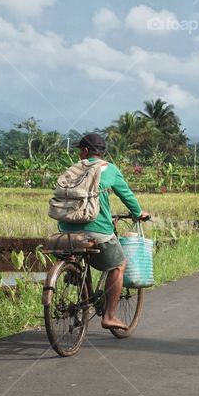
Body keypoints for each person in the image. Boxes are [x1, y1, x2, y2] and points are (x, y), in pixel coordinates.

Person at [59, 133, 149, 330]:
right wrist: (138, 213)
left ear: (84, 151)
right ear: (102, 152)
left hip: (65, 229)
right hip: (96, 229)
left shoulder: (73, 169)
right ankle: (109, 316)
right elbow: (127, 195)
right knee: (119, 264)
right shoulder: (110, 170)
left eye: (79, 151)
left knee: (75, 248)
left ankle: (72, 267)